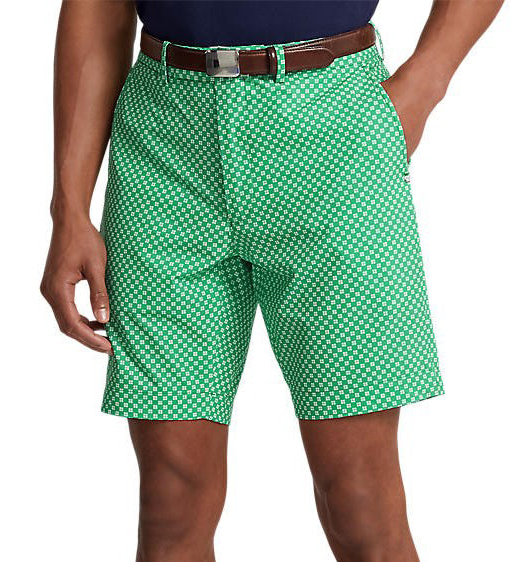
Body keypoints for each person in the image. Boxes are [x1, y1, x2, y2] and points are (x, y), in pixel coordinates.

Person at [40, 1, 504, 561]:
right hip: (165, 146)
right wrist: (69, 209)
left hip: (335, 134)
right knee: (170, 498)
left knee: (357, 500)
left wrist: (425, 83)